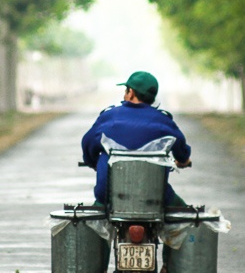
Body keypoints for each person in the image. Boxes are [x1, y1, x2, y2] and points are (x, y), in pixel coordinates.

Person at [81, 71, 192, 207]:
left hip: (107, 195)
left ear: (131, 92)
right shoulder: (164, 120)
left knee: (92, 220)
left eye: (125, 90)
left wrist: (93, 162)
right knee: (188, 216)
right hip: (156, 196)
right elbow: (180, 147)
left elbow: (88, 143)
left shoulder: (109, 116)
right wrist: (183, 160)